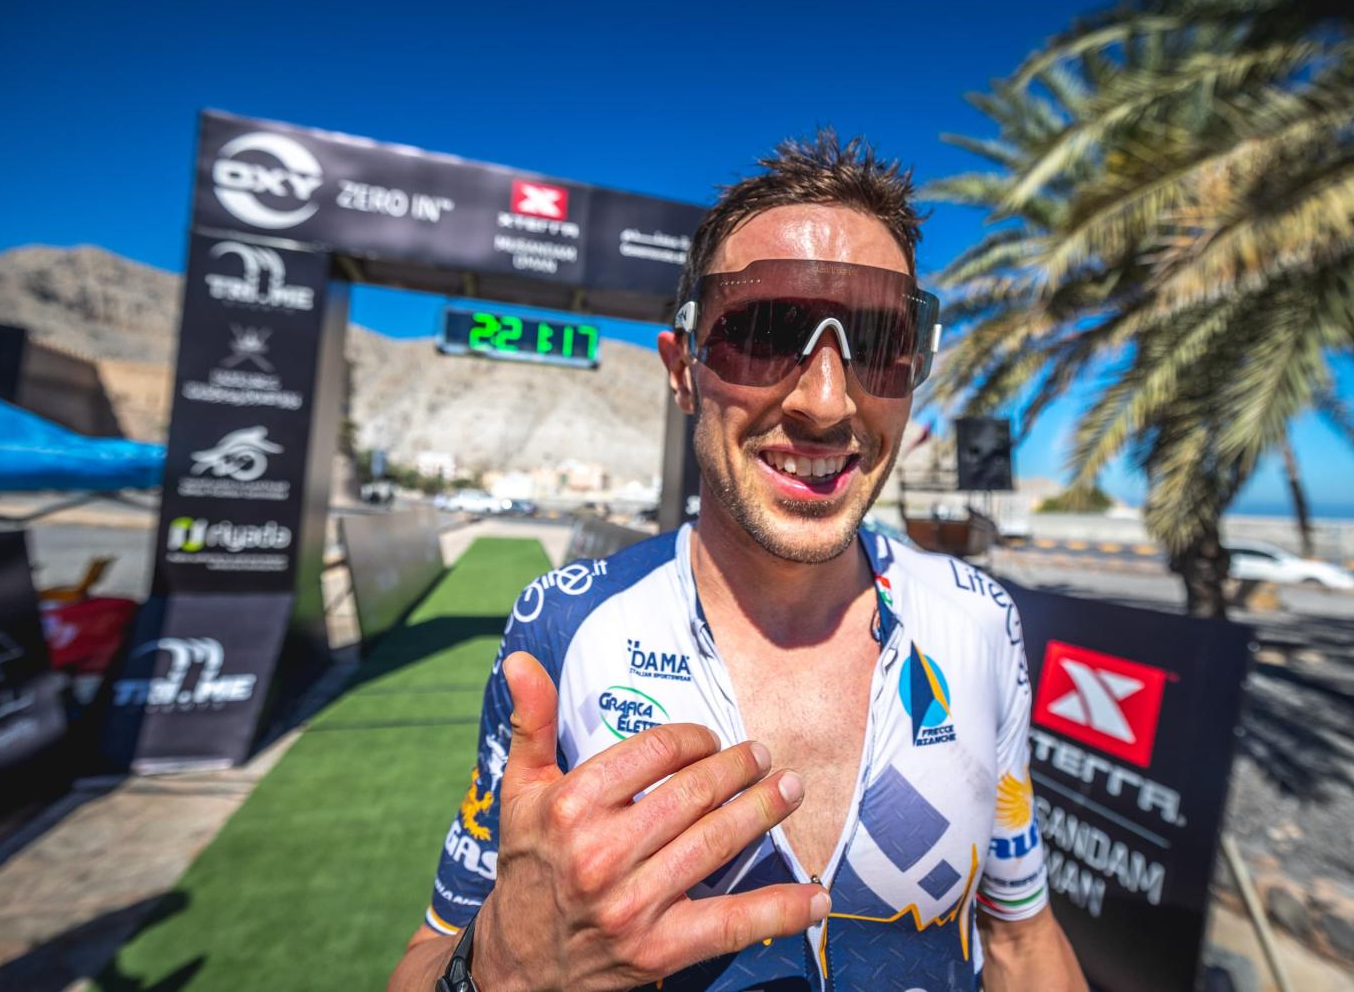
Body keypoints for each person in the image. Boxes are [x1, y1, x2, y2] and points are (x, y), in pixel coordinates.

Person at [389, 132, 1085, 991]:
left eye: (879, 342)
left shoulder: (980, 618)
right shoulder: (564, 623)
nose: (826, 403)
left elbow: (1022, 938)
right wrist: (495, 965)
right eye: (762, 331)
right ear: (682, 371)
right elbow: (429, 950)